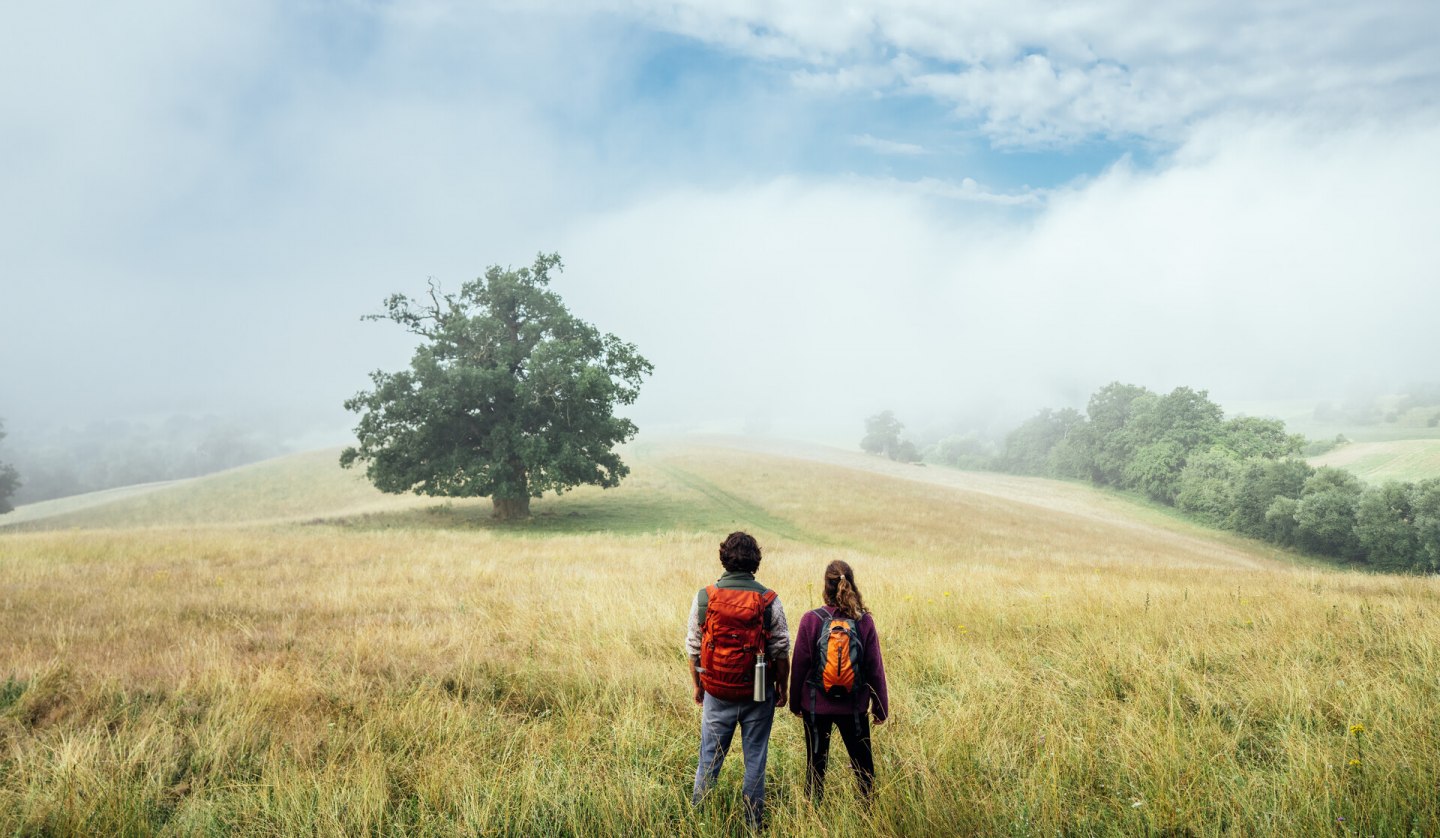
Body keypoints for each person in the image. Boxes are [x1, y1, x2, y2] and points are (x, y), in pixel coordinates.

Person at [686, 531, 791, 830]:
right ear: (755, 561)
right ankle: (753, 825)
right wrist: (781, 687)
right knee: (755, 760)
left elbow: (693, 647)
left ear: (724, 558)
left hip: (716, 692)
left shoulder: (705, 596)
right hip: (758, 693)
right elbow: (781, 649)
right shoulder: (769, 599)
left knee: (709, 758)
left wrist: (698, 685)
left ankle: (699, 820)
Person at [788, 559, 889, 803]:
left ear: (826, 587)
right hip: (853, 707)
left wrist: (794, 704)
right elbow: (874, 668)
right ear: (852, 585)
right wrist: (880, 708)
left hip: (814, 707)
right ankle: (868, 813)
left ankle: (813, 814)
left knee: (815, 767)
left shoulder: (810, 619)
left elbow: (799, 666)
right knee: (863, 768)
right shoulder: (864, 621)